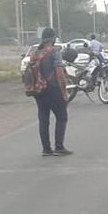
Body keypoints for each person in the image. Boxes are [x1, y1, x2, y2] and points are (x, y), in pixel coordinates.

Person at [31, 28, 72, 156]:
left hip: (38, 90)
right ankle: (59, 147)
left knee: (43, 119)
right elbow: (59, 74)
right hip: (52, 89)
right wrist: (64, 92)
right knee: (61, 117)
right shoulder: (55, 52)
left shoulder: (35, 53)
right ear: (53, 39)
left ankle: (46, 148)